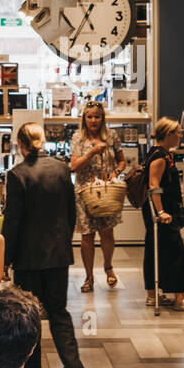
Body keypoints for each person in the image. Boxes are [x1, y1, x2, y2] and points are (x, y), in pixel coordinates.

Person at [4, 122, 87, 368]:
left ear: (21, 144)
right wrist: (64, 241)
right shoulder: (62, 169)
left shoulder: (17, 175)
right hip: (58, 254)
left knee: (30, 314)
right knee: (59, 311)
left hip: (28, 257)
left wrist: (5, 260)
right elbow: (70, 211)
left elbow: (13, 222)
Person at [68, 100, 126, 292]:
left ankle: (108, 267)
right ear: (84, 118)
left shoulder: (112, 136)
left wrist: (116, 171)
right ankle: (89, 276)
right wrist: (92, 152)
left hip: (107, 191)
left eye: (97, 116)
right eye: (89, 116)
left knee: (107, 232)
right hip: (85, 193)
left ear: (102, 118)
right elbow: (74, 167)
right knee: (87, 235)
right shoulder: (78, 138)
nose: (93, 120)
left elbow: (122, 160)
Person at [143, 117, 184, 311]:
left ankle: (152, 294)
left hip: (159, 211)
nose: (181, 136)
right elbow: (153, 186)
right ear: (168, 135)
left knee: (154, 249)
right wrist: (161, 212)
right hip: (162, 213)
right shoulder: (159, 157)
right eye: (178, 133)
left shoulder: (161, 153)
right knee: (176, 252)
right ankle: (179, 298)